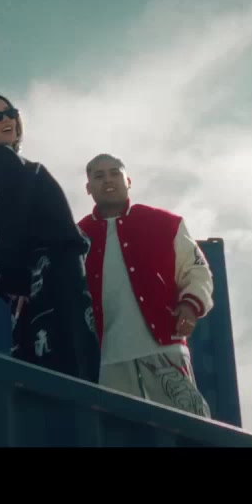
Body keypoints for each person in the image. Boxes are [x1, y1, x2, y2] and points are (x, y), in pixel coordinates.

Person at [0, 94, 100, 383]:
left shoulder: (2, 171)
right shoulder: (8, 164)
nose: (6, 119)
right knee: (72, 385)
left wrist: (16, 282)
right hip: (58, 293)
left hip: (43, 295)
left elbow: (0, 230)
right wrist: (16, 280)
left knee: (43, 383)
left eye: (10, 112)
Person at [76, 153, 214, 417]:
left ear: (128, 180)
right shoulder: (76, 237)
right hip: (106, 362)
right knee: (118, 433)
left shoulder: (165, 224)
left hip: (165, 351)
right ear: (88, 188)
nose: (108, 180)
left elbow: (197, 271)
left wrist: (190, 306)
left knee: (188, 429)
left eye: (115, 173)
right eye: (99, 176)